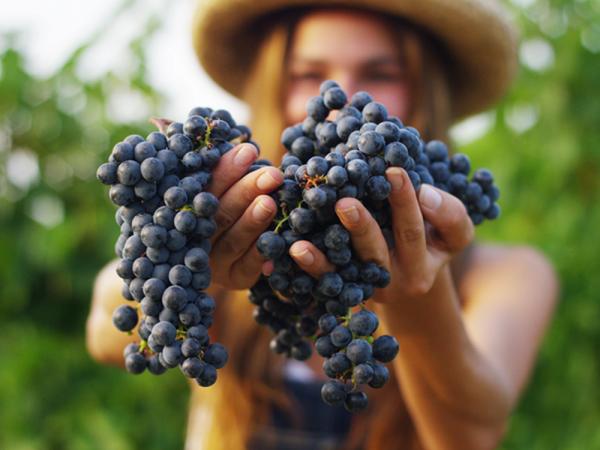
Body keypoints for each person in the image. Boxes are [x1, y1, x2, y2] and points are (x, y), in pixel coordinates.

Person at [86, 0, 559, 449]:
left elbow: (470, 439)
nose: (340, 100)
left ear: (426, 90)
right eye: (307, 74)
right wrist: (206, 262)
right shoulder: (248, 223)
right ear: (271, 85)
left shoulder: (508, 274)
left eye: (380, 73)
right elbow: (107, 329)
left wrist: (418, 293)